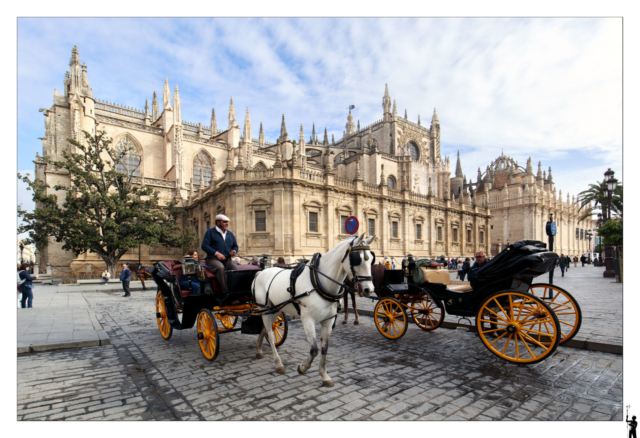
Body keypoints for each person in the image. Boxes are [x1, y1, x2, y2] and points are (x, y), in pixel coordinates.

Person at [201, 214, 238, 294]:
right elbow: (204, 246)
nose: (227, 224)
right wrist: (216, 253)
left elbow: (235, 246)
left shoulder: (230, 234)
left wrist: (234, 251)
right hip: (212, 259)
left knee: (235, 270)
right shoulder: (210, 232)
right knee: (220, 268)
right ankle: (225, 293)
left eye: (227, 222)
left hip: (227, 259)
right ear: (218, 223)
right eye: (224, 222)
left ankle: (236, 292)